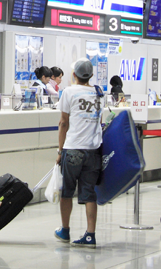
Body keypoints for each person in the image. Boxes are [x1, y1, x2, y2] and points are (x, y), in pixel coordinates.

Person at [54, 59, 104, 248]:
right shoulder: (99, 93)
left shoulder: (68, 92)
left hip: (73, 148)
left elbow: (63, 123)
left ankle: (65, 230)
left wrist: (60, 150)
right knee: (89, 193)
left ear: (74, 74)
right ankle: (90, 234)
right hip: (93, 150)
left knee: (67, 192)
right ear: (91, 75)